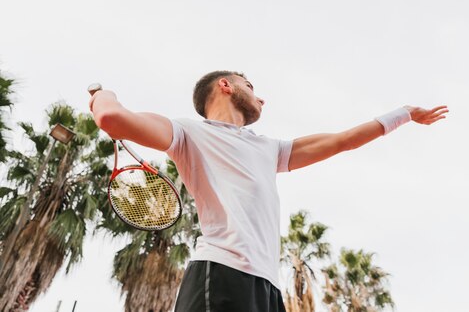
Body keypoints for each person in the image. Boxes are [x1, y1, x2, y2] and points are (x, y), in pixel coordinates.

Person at [89, 70, 448, 312]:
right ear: (226, 86)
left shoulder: (268, 149)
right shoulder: (187, 132)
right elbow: (112, 119)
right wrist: (103, 95)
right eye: (251, 86)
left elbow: (343, 141)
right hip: (221, 271)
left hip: (266, 288)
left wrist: (404, 113)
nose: (261, 98)